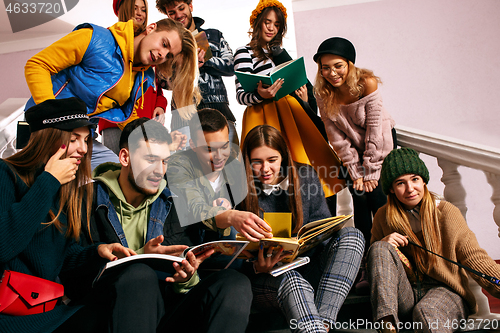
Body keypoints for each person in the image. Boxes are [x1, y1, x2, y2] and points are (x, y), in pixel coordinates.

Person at [74, 117, 252, 333]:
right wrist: (139, 257)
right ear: (124, 157)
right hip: (111, 312)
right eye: (151, 159)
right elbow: (74, 272)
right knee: (139, 275)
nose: (160, 170)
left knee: (234, 283)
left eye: (165, 161)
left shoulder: (174, 202)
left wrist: (186, 277)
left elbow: (187, 275)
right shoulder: (87, 200)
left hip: (167, 311)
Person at [0, 98, 138, 333]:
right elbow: (4, 245)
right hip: (12, 318)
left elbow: (62, 258)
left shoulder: (71, 190)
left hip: (53, 311)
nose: (84, 149)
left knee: (130, 293)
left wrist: (96, 252)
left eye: (86, 140)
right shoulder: (7, 174)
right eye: (74, 139)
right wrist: (49, 181)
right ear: (49, 138)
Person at [24, 16, 199, 170]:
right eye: (164, 44)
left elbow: (130, 120)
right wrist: (52, 119)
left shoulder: (143, 78)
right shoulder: (95, 38)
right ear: (151, 28)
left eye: (169, 56)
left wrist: (165, 142)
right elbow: (38, 65)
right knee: (43, 181)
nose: (162, 54)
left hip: (83, 137)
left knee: (116, 174)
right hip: (46, 124)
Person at [238, 125, 364, 332]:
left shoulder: (305, 175)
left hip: (308, 267)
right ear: (247, 162)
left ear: (283, 157)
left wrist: (302, 246)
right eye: (256, 162)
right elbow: (232, 252)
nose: (265, 169)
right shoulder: (238, 185)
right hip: (266, 279)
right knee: (293, 281)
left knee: (353, 236)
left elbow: (323, 233)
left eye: (272, 160)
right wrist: (256, 267)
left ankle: (323, 323)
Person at [368, 147, 500, 332]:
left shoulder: (446, 213)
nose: (410, 189)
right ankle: (387, 325)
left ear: (423, 181)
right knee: (379, 248)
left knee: (426, 312)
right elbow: (372, 269)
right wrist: (384, 244)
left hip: (446, 291)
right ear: (391, 188)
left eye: (415, 179)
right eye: (400, 183)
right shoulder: (383, 217)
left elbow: (476, 259)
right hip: (405, 294)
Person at [234, 0, 343, 210]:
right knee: (268, 170)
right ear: (257, 23)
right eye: (267, 22)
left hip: (290, 112)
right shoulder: (243, 51)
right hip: (262, 115)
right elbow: (240, 95)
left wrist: (303, 100)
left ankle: (320, 214)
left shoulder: (279, 53)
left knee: (312, 160)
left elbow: (304, 85)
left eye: (276, 25)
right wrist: (260, 94)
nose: (271, 28)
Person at [313, 36, 396, 293]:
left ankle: (390, 261)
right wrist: (355, 171)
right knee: (358, 198)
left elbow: (376, 128)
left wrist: (371, 170)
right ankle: (365, 264)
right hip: (354, 153)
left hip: (380, 145)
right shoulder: (323, 92)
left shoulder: (366, 83)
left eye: (337, 65)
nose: (331, 73)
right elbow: (337, 138)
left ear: (350, 64)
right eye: (325, 67)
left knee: (378, 200)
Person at [166, 108, 273, 249]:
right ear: (193, 145)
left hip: (223, 251)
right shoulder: (178, 165)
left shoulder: (235, 166)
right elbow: (196, 208)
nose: (219, 156)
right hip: (183, 250)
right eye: (209, 150)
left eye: (224, 147)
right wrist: (230, 216)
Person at [97, 0, 176, 156]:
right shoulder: (110, 40)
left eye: (143, 9)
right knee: (116, 166)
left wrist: (160, 105)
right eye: (134, 9)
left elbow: (156, 86)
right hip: (114, 121)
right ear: (123, 10)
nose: (140, 13)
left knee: (143, 170)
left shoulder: (153, 49)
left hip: (145, 122)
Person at [157, 0, 239, 147]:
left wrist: (207, 61)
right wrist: (181, 66)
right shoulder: (167, 45)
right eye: (172, 12)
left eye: (181, 8)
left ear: (190, 6)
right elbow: (163, 83)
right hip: (183, 115)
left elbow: (232, 66)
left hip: (219, 108)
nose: (178, 15)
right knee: (186, 166)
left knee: (231, 165)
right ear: (167, 16)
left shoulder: (214, 35)